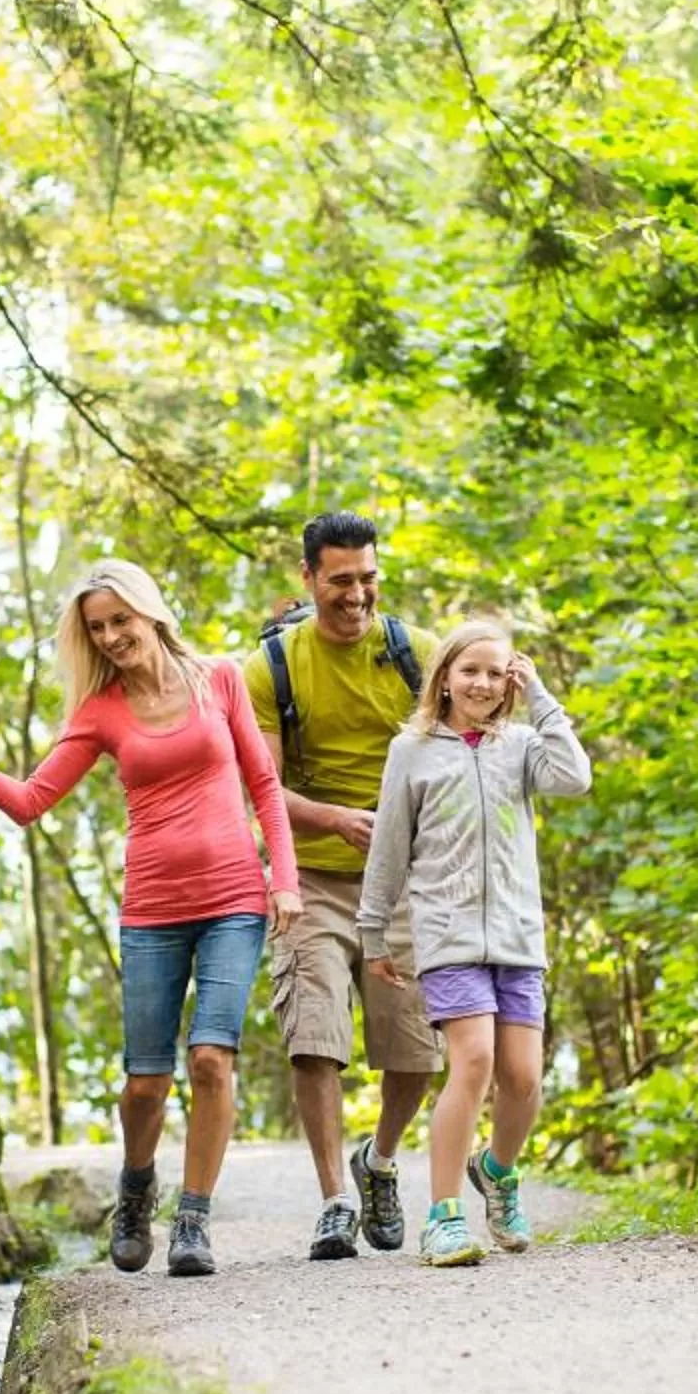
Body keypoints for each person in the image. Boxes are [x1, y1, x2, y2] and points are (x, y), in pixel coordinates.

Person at [0, 559, 300, 1279]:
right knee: (145, 1083)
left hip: (235, 899)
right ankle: (136, 1185)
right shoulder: (101, 712)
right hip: (152, 910)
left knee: (211, 1057)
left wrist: (285, 881)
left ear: (150, 611)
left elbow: (264, 784)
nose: (113, 636)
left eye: (121, 619)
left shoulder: (219, 679)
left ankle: (193, 1220)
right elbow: (29, 803)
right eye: (98, 628)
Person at [358, 622, 591, 1267]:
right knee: (475, 1061)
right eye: (470, 671)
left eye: (496, 673)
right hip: (448, 933)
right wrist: (373, 929)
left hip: (517, 934)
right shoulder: (412, 749)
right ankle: (443, 1218)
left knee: (523, 1078)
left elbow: (575, 776)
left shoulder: (520, 746)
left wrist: (540, 694)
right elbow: (389, 846)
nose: (482, 684)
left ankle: (495, 1170)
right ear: (444, 677)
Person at [245, 510, 441, 1261]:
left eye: (368, 579)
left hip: (402, 885)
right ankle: (334, 1199)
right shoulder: (272, 668)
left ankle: (379, 1163)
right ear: (308, 579)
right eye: (341, 582)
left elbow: (456, 757)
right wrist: (335, 818)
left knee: (414, 1048)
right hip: (311, 879)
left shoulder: (415, 656)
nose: (357, 596)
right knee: (314, 1039)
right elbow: (258, 787)